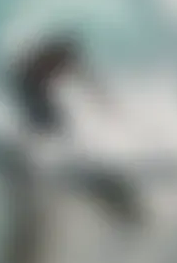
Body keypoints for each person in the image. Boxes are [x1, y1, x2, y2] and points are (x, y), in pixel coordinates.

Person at [10, 33, 143, 225]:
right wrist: (103, 99)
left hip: (34, 92)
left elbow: (87, 79)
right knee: (54, 132)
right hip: (31, 91)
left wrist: (103, 99)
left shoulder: (59, 59)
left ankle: (39, 162)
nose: (71, 66)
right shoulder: (53, 59)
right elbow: (82, 78)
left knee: (58, 134)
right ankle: (35, 163)